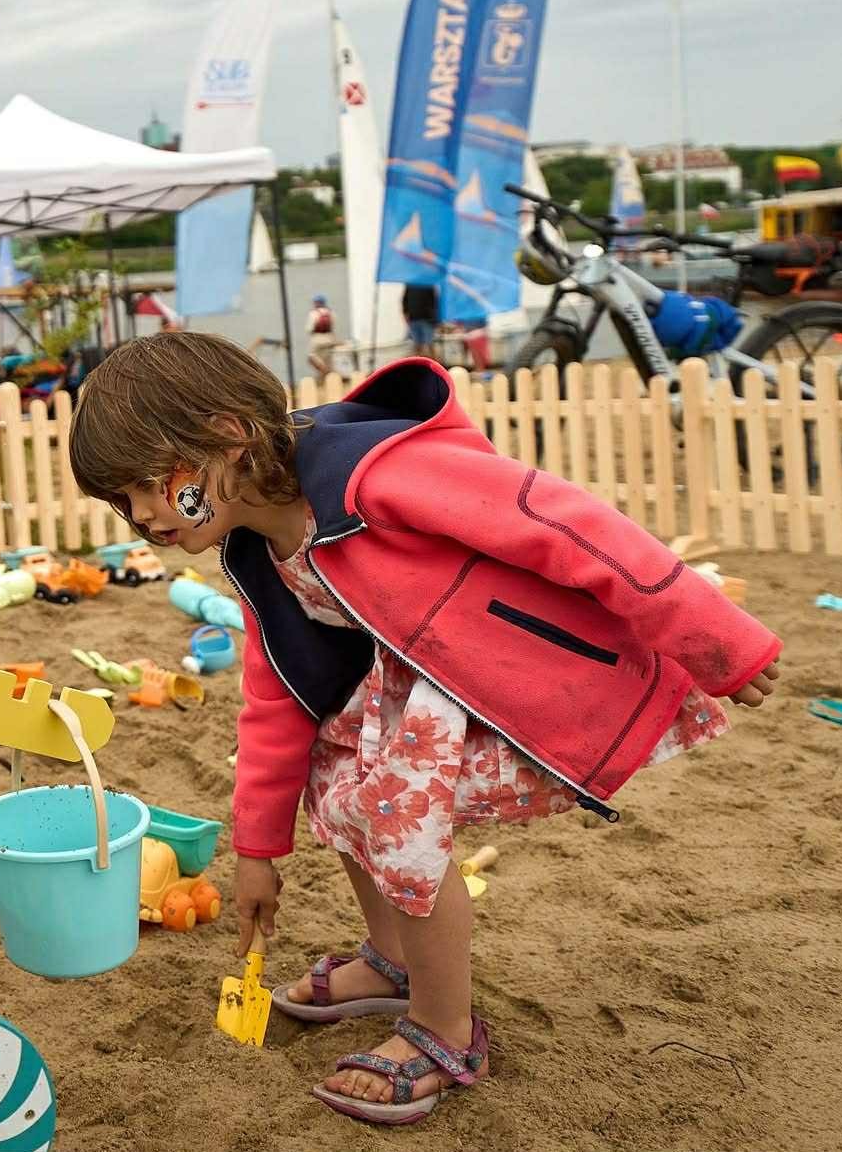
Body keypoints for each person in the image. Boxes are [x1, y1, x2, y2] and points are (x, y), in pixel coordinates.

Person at [67, 333, 780, 1126]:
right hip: (404, 684)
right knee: (330, 775)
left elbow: (568, 524)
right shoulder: (254, 549)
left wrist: (720, 639)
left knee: (395, 815)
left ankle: (447, 1028)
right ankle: (396, 960)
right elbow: (275, 693)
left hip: (501, 673)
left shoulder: (381, 475)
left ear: (227, 440)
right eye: (118, 501)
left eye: (144, 486)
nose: (137, 515)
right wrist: (257, 850)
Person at [401, 283, 439, 358]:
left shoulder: (428, 284)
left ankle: (435, 364)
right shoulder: (410, 284)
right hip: (413, 319)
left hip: (427, 319)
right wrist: (405, 313)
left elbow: (435, 302)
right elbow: (405, 300)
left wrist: (435, 318)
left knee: (430, 344)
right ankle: (417, 365)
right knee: (417, 345)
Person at [307, 293, 337, 376]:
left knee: (312, 357)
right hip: (330, 338)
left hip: (318, 338)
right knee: (327, 359)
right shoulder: (331, 312)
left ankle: (325, 372)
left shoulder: (313, 313)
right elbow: (333, 326)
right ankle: (328, 375)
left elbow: (309, 328)